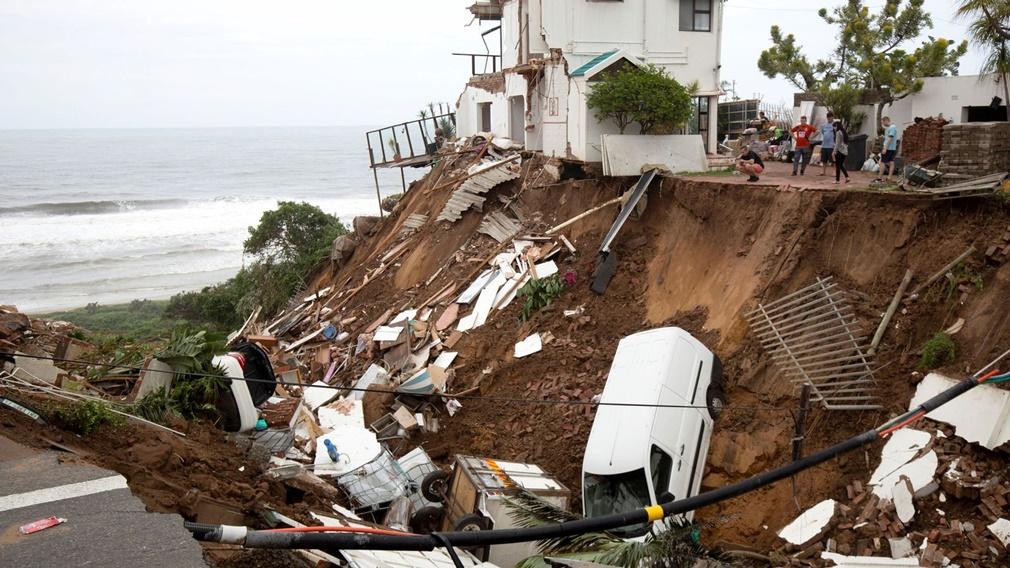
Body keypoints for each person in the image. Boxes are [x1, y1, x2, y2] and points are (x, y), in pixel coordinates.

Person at [880, 116, 899, 182]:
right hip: (891, 148)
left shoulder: (892, 128)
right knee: (891, 162)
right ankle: (889, 177)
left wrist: (885, 148)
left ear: (886, 120)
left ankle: (879, 177)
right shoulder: (891, 127)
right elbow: (889, 137)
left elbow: (890, 138)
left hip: (888, 148)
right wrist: (884, 137)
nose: (883, 124)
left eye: (883, 123)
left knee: (882, 162)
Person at [832, 121, 850, 185]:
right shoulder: (843, 132)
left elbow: (837, 143)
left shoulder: (838, 133)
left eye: (834, 126)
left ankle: (837, 180)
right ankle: (847, 177)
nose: (833, 128)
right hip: (845, 151)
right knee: (841, 165)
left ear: (837, 126)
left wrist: (834, 152)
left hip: (840, 151)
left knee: (838, 166)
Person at [819, 112, 835, 176]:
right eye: (828, 117)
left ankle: (834, 172)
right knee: (824, 160)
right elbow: (823, 133)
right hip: (824, 145)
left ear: (832, 117)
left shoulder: (835, 125)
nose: (829, 119)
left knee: (832, 160)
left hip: (831, 146)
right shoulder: (824, 125)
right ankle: (823, 171)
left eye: (830, 117)